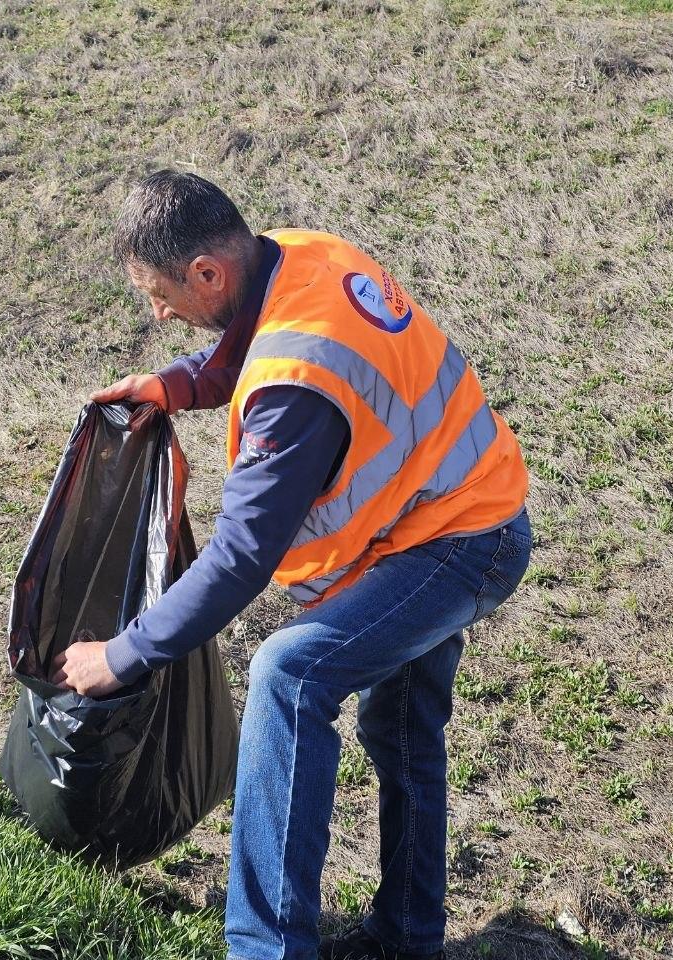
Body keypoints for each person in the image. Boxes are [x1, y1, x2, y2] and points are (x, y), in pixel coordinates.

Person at [51, 171, 532, 960]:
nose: (158, 313)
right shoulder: (301, 255)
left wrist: (123, 654)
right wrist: (178, 384)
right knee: (402, 721)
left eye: (159, 294)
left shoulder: (291, 390)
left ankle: (266, 950)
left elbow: (240, 558)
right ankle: (408, 939)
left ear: (208, 271)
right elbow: (246, 344)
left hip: (459, 542)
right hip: (448, 507)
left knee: (290, 671)